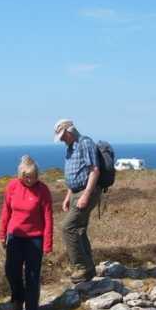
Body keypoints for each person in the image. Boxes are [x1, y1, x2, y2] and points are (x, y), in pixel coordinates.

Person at [0, 155, 53, 310]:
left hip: (35, 239)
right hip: (15, 236)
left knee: (32, 276)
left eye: (34, 176)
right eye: (27, 177)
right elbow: (6, 211)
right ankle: (18, 298)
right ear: (21, 175)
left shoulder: (43, 190)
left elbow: (48, 217)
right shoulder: (12, 186)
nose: (31, 180)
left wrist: (47, 243)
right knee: (11, 271)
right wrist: (2, 234)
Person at [54, 118, 100, 283]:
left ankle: (81, 267)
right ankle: (89, 269)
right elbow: (74, 175)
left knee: (68, 227)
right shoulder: (70, 148)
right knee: (79, 230)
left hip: (85, 191)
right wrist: (68, 196)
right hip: (75, 192)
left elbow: (94, 170)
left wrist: (86, 195)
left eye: (62, 136)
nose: (61, 140)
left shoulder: (84, 143)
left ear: (69, 131)